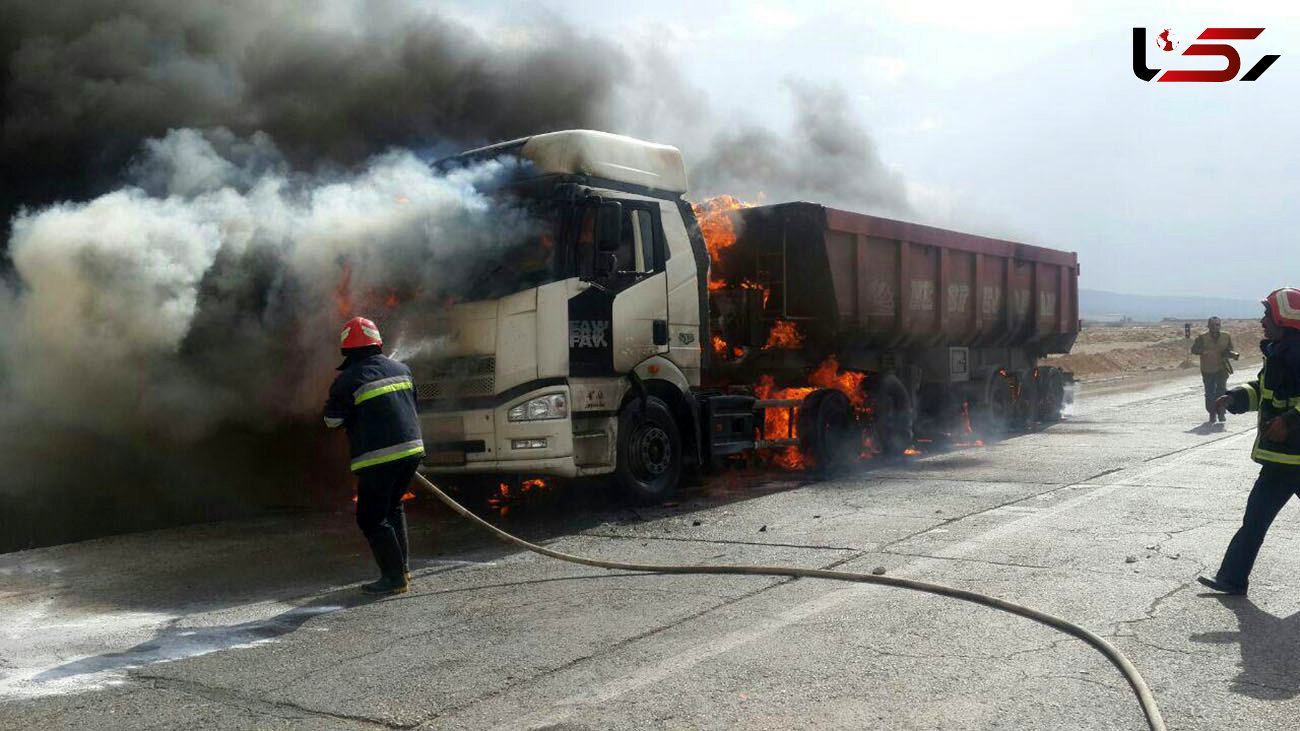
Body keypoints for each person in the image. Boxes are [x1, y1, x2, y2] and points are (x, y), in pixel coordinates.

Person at [1198, 289, 1300, 595]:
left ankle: (1232, 577)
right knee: (1254, 520)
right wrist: (1236, 397)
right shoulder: (1280, 351)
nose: (1263, 321)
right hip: (1281, 461)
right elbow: (1264, 390)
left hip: (1291, 458)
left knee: (1254, 519)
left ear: (1285, 319)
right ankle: (1231, 578)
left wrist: (1291, 421)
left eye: (1268, 315)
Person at [324, 316, 425, 595]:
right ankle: (402, 569)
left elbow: (331, 421)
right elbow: (413, 405)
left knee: (370, 518)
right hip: (412, 450)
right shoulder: (402, 369)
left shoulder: (347, 380)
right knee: (393, 508)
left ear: (347, 349)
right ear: (377, 343)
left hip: (378, 458)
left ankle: (394, 579)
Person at [1190, 316, 1238, 423]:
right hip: (1208, 369)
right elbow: (1194, 350)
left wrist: (1230, 354)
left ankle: (1221, 412)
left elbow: (1230, 349)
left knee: (1221, 391)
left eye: (1217, 325)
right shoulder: (1202, 337)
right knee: (1210, 393)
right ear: (1208, 326)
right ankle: (1212, 413)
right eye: (1212, 325)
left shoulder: (1226, 336)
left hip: (1222, 368)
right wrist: (1203, 352)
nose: (1215, 327)